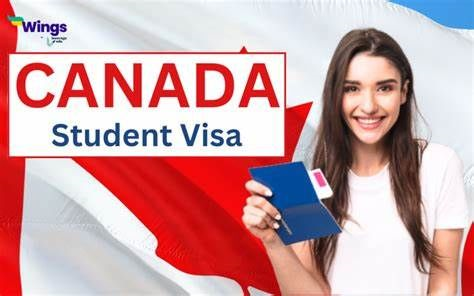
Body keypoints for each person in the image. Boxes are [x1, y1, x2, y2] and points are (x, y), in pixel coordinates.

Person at [241, 28, 469, 295]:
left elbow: (443, 283)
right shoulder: (308, 187)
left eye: (384, 88)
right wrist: (272, 241)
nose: (369, 105)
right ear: (336, 96)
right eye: (352, 89)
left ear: (404, 92)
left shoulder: (437, 165)